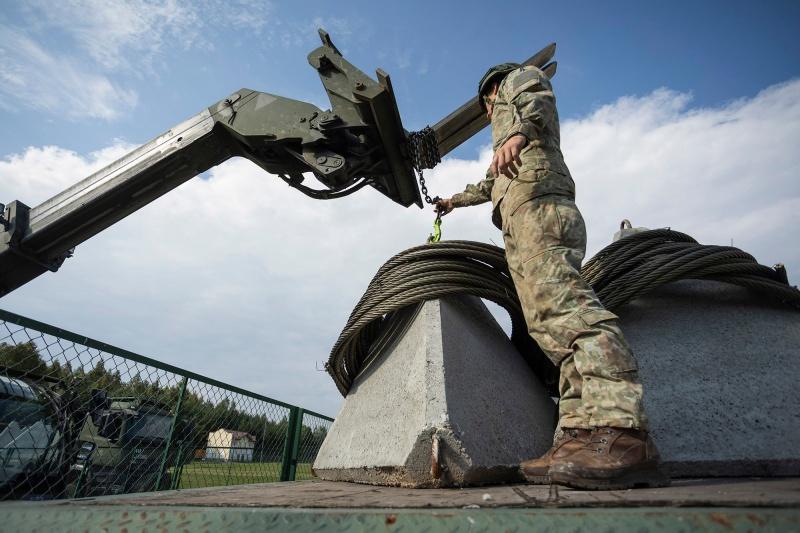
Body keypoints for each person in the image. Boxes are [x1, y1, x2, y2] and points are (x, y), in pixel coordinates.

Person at [435, 63, 668, 490]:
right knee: (547, 325)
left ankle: (623, 432)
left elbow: (538, 98)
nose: (488, 114)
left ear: (489, 94)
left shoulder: (517, 81)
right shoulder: (503, 140)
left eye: (486, 106)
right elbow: (489, 183)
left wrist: (519, 133)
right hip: (518, 217)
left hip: (540, 205)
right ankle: (580, 435)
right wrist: (452, 201)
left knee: (567, 309)